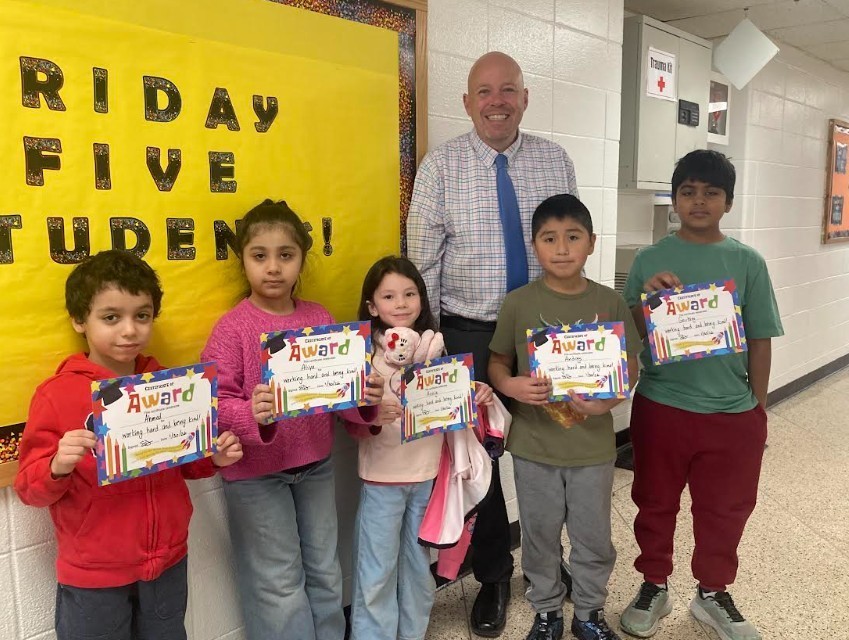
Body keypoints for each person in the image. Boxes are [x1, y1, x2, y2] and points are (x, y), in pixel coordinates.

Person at [407, 50, 579, 637]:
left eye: (508, 89)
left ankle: (549, 563)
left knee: (552, 450)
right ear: (467, 102)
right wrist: (424, 347)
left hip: (544, 336)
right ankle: (494, 576)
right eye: (484, 91)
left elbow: (571, 246)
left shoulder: (556, 161)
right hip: (465, 335)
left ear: (526, 98)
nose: (497, 101)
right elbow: (422, 261)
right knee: (474, 462)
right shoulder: (440, 166)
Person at [14, 249, 243, 640]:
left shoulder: (168, 387)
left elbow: (188, 464)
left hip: (167, 563)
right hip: (94, 575)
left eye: (142, 315)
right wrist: (57, 465)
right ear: (79, 320)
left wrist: (215, 457)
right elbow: (29, 489)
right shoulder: (57, 395)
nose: (129, 330)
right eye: (111, 317)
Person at [619, 150, 783, 640]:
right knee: (654, 501)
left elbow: (760, 338)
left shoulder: (747, 263)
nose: (698, 200)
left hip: (731, 414)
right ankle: (654, 583)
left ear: (727, 202)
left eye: (711, 192)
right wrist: (645, 303)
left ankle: (713, 592)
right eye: (687, 191)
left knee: (725, 507)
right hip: (663, 406)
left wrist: (758, 407)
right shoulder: (649, 260)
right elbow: (629, 338)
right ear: (673, 199)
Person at [201, 200, 383, 640]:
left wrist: (366, 398)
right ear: (243, 260)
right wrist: (250, 412)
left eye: (286, 255)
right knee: (278, 584)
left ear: (302, 259)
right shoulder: (232, 328)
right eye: (259, 255)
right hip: (256, 477)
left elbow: (339, 395)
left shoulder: (318, 318)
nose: (273, 267)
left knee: (324, 571)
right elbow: (210, 404)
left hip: (316, 466)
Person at [489, 195, 641, 640]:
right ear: (534, 245)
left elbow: (630, 365)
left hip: (591, 448)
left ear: (591, 243)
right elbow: (497, 361)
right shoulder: (518, 303)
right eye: (549, 239)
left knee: (593, 535)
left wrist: (607, 402)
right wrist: (511, 384)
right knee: (538, 535)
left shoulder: (609, 302)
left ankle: (589, 612)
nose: (561, 249)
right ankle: (547, 610)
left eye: (572, 237)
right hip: (534, 447)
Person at [346, 255, 494, 640]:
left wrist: (474, 395)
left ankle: (412, 633)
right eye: (389, 296)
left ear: (422, 300)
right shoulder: (363, 358)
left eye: (410, 293)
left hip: (429, 478)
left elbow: (452, 410)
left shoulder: (437, 353)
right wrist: (373, 414)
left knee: (416, 566)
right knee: (376, 571)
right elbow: (351, 422)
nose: (401, 303)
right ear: (372, 306)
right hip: (381, 481)